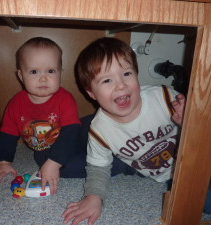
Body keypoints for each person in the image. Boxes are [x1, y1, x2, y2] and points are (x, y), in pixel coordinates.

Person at [62, 37, 187, 225]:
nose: (120, 85)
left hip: (194, 163)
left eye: (127, 74)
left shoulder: (163, 97)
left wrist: (188, 121)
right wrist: (94, 196)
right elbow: (98, 167)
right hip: (171, 178)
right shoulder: (99, 131)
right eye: (107, 80)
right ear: (91, 93)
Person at [0, 37, 82, 194]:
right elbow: (7, 133)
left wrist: (54, 163)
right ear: (21, 76)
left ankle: (110, 159)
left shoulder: (65, 99)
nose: (43, 78)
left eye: (51, 71)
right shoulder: (16, 103)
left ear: (60, 73)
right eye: (34, 71)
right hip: (45, 150)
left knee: (86, 136)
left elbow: (71, 134)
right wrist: (3, 162)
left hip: (72, 139)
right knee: (49, 164)